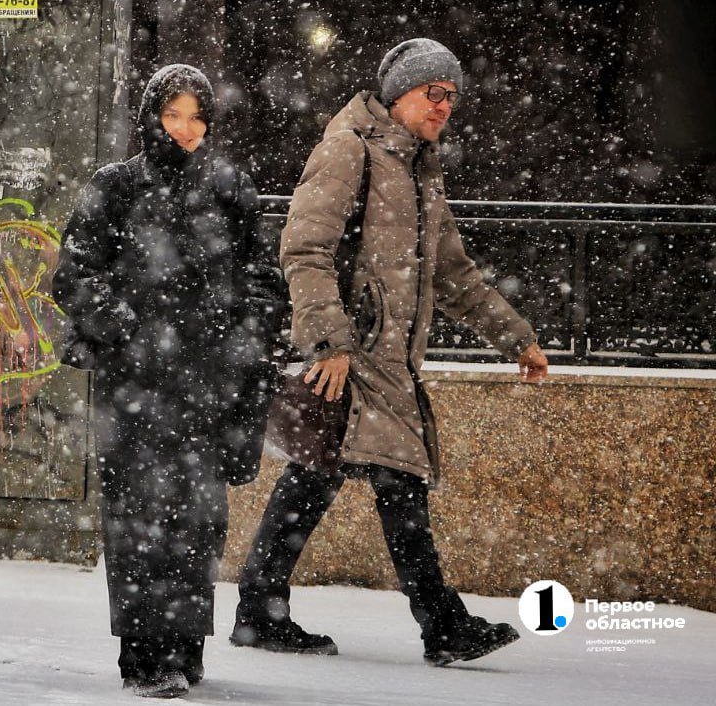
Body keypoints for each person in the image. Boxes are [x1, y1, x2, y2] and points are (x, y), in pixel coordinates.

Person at [231, 38, 550, 667]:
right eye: (434, 93)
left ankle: (258, 610)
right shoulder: (351, 148)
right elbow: (304, 248)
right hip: (350, 358)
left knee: (318, 477)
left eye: (453, 97)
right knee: (395, 484)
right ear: (400, 91)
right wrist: (329, 342)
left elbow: (454, 275)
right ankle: (442, 624)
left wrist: (518, 337)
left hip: (388, 362)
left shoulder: (420, 169)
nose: (444, 107)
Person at [53, 64, 285, 698]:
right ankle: (144, 653)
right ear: (152, 116)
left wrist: (242, 342)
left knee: (198, 521)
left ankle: (186, 646)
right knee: (137, 520)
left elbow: (265, 281)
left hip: (208, 388)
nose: (185, 130)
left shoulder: (231, 188)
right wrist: (131, 326)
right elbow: (73, 276)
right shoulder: (115, 186)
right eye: (173, 115)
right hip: (135, 388)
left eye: (197, 117)